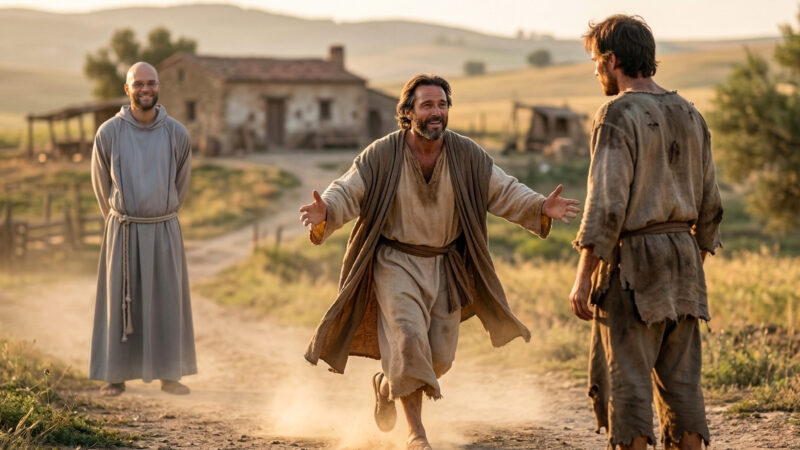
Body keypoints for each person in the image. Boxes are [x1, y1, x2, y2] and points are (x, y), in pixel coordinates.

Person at [300, 73, 580, 450]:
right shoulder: (382, 154)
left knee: (440, 359)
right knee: (408, 336)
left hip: (446, 265)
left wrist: (539, 206)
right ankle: (417, 435)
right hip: (394, 262)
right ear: (408, 112)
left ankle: (387, 384)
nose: (437, 112)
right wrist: (327, 211)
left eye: (442, 104)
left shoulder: (467, 155)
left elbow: (503, 189)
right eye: (428, 105)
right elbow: (347, 190)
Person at [568, 15, 723, 450]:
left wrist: (583, 278)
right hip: (685, 258)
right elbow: (712, 207)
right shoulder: (691, 113)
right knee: (683, 386)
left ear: (613, 59)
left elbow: (606, 206)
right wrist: (692, 262)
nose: (596, 70)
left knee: (629, 388)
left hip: (634, 262)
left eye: (597, 61)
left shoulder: (616, 113)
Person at [90, 62, 197, 396]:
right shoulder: (108, 132)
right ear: (127, 89)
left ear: (158, 86)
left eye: (151, 83)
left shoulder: (177, 133)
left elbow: (181, 183)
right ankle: (114, 375)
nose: (145, 89)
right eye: (138, 84)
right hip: (122, 229)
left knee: (167, 300)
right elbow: (100, 185)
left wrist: (160, 211)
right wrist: (122, 217)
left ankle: (170, 374)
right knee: (118, 301)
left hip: (163, 227)